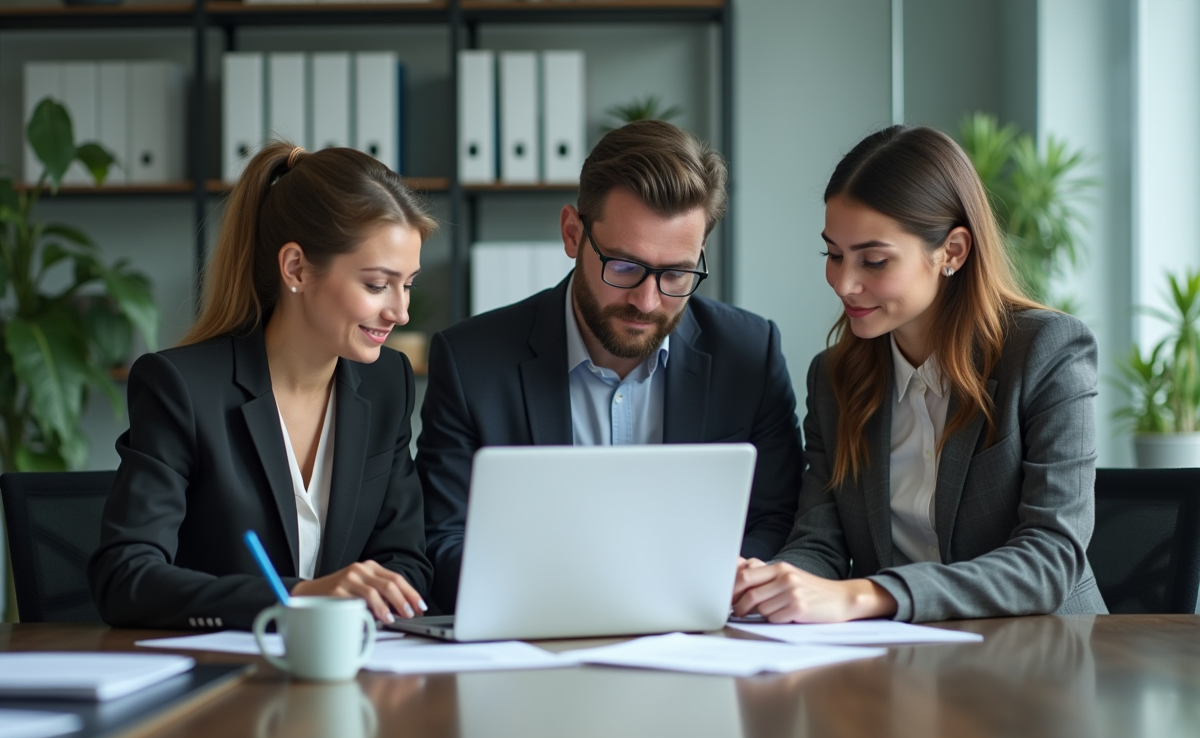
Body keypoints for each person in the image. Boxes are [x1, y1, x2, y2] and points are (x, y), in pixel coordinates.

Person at [417, 120, 804, 612]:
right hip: (538, 635)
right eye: (623, 266)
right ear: (572, 234)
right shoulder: (471, 362)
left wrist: (711, 584)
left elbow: (779, 520)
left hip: (700, 632)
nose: (647, 301)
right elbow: (441, 540)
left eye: (676, 273)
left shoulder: (750, 354)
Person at [733, 125, 1108, 624]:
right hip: (903, 657)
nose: (844, 283)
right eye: (834, 255)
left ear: (952, 251)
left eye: (874, 260)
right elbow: (819, 544)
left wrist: (868, 595)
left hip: (1042, 649)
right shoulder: (834, 378)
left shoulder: (1047, 351)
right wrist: (767, 583)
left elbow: (1050, 559)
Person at [89, 142, 435, 630]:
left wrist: (381, 597)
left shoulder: (387, 384)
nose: (400, 312)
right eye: (377, 285)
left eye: (408, 284)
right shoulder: (181, 388)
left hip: (349, 661)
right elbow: (125, 578)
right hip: (221, 668)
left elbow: (407, 561)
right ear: (296, 268)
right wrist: (298, 597)